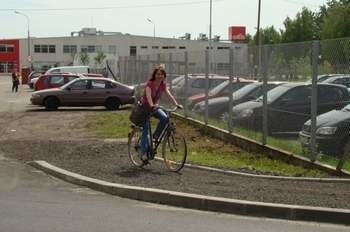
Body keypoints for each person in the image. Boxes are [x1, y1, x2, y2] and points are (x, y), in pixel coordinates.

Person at [139, 66, 182, 163]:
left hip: (154, 107)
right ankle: (142, 153)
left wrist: (176, 103)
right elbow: (149, 96)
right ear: (154, 75)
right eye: (158, 74)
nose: (159, 76)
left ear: (164, 76)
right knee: (145, 130)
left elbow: (168, 94)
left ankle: (155, 137)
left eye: (161, 74)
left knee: (165, 118)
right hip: (145, 108)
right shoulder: (150, 84)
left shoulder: (163, 85)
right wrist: (151, 105)